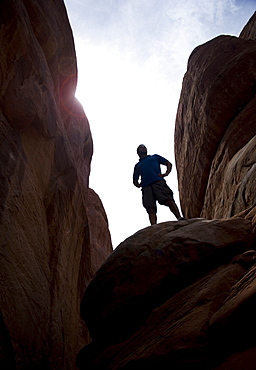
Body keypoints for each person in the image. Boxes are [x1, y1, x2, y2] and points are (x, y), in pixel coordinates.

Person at [133, 144, 184, 225]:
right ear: (138, 152)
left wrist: (166, 173)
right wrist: (138, 184)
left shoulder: (154, 157)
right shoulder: (138, 165)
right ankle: (153, 225)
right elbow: (135, 180)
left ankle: (179, 217)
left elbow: (168, 163)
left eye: (144, 147)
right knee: (150, 207)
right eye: (141, 148)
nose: (143, 148)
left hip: (158, 181)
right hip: (146, 186)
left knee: (168, 199)